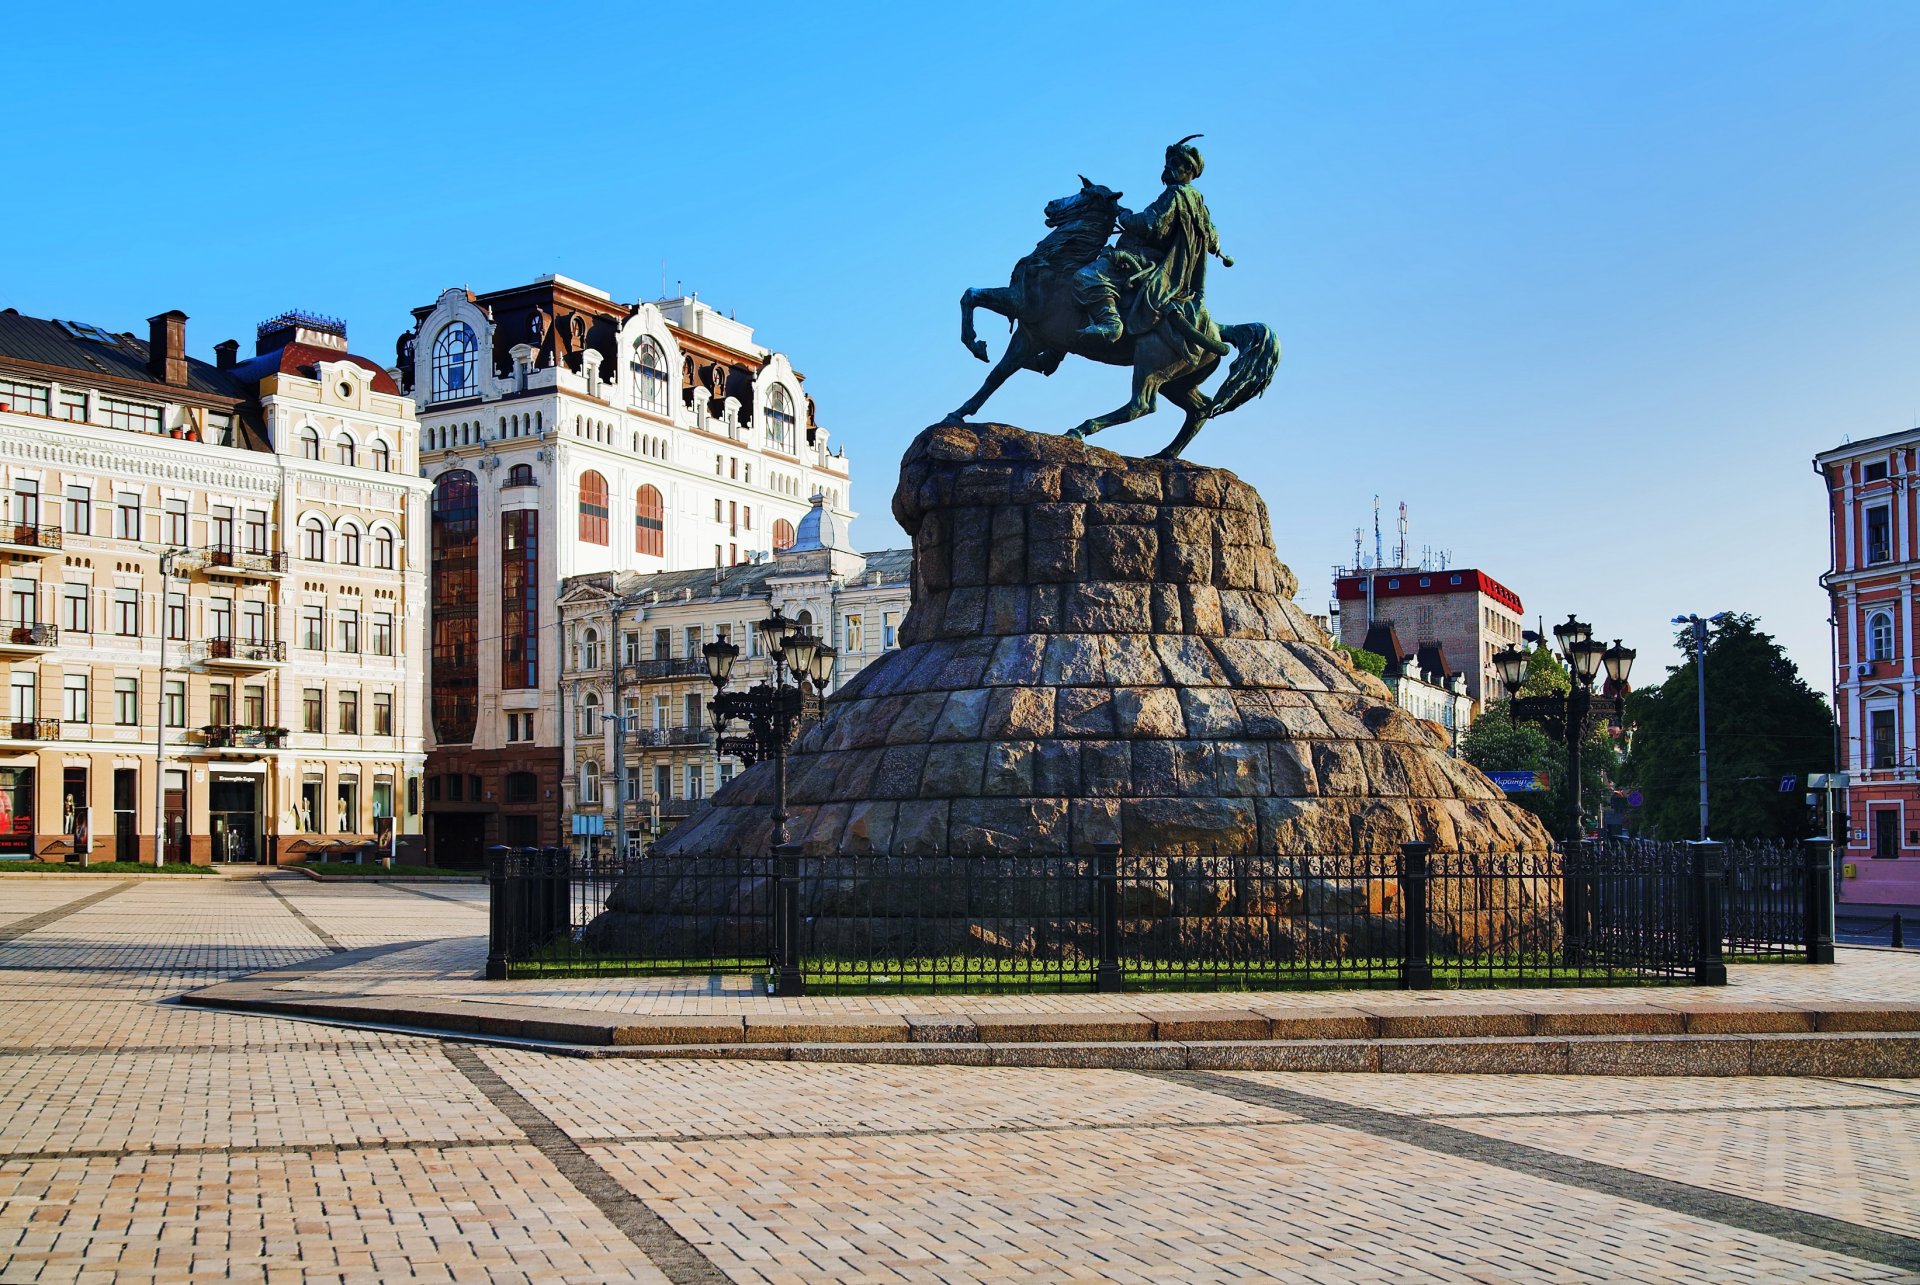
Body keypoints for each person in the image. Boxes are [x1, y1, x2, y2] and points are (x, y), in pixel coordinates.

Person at [1074, 135, 1232, 344]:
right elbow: (1213, 238)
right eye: (1167, 163)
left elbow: (1150, 224)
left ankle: (1111, 322)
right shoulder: (1198, 202)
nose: (1167, 168)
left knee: (1086, 276)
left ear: (1188, 169)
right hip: (1167, 267)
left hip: (1146, 261)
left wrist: (1123, 214)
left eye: (1174, 163)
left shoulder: (1175, 194)